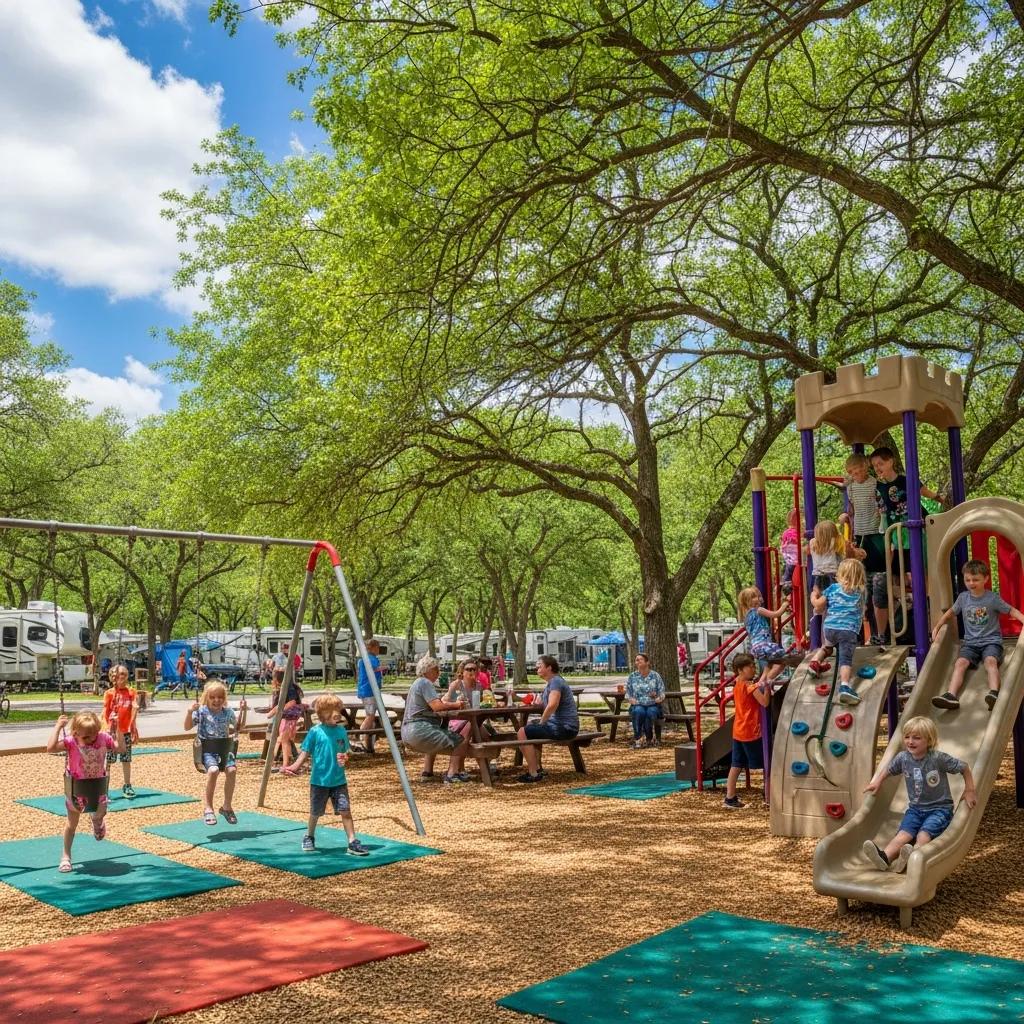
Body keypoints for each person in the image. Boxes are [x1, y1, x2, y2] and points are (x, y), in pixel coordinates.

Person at [862, 716, 976, 871]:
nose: (910, 741)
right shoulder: (903, 758)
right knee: (903, 835)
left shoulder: (938, 758)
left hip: (939, 809)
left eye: (916, 738)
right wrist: (877, 782)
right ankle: (885, 857)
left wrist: (969, 789)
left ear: (929, 740)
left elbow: (964, 767)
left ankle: (913, 859)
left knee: (923, 836)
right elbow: (888, 770)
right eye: (907, 737)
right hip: (915, 809)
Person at [931, 559, 1024, 711]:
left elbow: (1011, 610)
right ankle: (951, 695)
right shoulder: (963, 598)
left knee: (990, 662)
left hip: (991, 642)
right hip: (970, 643)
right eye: (967, 579)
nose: (971, 583)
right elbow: (951, 612)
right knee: (960, 663)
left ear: (985, 579)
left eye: (975, 579)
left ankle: (994, 693)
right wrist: (938, 626)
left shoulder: (992, 598)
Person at [282, 694, 370, 855]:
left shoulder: (341, 730)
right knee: (316, 812)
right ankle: (309, 835)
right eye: (332, 710)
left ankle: (352, 841)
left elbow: (344, 752)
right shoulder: (315, 732)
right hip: (319, 781)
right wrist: (294, 766)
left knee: (345, 811)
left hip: (338, 780)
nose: (337, 713)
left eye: (338, 709)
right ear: (322, 713)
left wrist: (345, 758)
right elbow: (305, 752)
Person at [871, 446, 941, 644]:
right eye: (875, 465)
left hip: (915, 529)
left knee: (922, 570)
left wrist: (939, 497)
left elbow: (923, 491)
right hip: (897, 533)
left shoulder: (905, 480)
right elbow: (882, 512)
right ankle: (907, 602)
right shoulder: (879, 487)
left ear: (891, 461)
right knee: (895, 573)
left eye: (881, 464)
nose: (877, 468)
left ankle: (926, 606)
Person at [46, 710, 124, 872]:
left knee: (99, 812)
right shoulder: (71, 742)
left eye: (94, 734)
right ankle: (65, 856)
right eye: (86, 737)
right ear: (75, 733)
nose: (91, 739)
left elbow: (121, 749)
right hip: (77, 788)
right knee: (71, 824)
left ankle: (97, 822)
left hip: (98, 786)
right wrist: (58, 726)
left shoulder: (104, 738)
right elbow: (51, 748)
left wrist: (118, 728)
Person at [400, 654, 472, 783]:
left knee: (439, 728)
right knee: (460, 739)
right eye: (436, 670)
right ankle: (453, 774)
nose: (439, 673)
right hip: (419, 731)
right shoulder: (425, 682)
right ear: (427, 670)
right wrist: (457, 705)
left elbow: (437, 703)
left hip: (407, 732)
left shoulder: (417, 683)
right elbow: (437, 706)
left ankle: (427, 772)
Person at [184, 681, 247, 826]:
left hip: (224, 748)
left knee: (232, 770)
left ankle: (227, 807)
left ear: (224, 698)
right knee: (213, 771)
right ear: (206, 697)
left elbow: (239, 727)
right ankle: (208, 808)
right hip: (207, 750)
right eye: (212, 697)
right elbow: (187, 727)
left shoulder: (228, 712)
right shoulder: (201, 711)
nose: (216, 700)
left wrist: (243, 711)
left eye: (219, 697)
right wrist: (189, 712)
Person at [809, 558, 867, 706]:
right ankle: (845, 687)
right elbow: (862, 610)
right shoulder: (861, 591)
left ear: (840, 575)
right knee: (845, 660)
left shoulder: (833, 588)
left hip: (829, 628)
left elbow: (818, 605)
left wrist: (813, 596)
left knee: (827, 647)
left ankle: (815, 662)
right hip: (848, 630)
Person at [842, 453, 886, 643]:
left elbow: (881, 504)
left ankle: (880, 633)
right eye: (851, 472)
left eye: (857, 470)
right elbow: (851, 509)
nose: (854, 474)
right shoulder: (851, 488)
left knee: (878, 577)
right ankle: (861, 634)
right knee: (860, 581)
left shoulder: (875, 484)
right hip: (860, 533)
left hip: (875, 532)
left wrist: (881, 512)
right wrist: (846, 516)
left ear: (865, 466)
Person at [516, 655, 579, 783]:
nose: (537, 668)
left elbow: (552, 704)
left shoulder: (556, 682)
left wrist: (542, 722)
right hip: (565, 726)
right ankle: (538, 769)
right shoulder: (552, 683)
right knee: (530, 727)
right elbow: (546, 703)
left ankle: (533, 773)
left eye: (540, 666)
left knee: (522, 732)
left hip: (565, 727)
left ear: (549, 668)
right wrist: (515, 697)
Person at [723, 653, 771, 809]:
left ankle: (730, 798)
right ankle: (770, 795)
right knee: (767, 763)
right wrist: (767, 688)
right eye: (749, 666)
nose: (753, 668)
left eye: (753, 665)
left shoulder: (737, 683)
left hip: (738, 730)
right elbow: (764, 702)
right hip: (751, 732)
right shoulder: (749, 686)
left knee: (736, 765)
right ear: (740, 670)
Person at [737, 586, 796, 688]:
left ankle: (760, 683)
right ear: (748, 601)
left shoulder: (747, 616)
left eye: (757, 596)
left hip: (756, 647)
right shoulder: (758, 610)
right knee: (782, 662)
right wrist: (785, 603)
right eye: (753, 597)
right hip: (764, 645)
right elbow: (775, 614)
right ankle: (768, 681)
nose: (758, 598)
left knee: (769, 666)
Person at [102, 664, 138, 799]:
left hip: (126, 731)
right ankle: (104, 789)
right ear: (112, 677)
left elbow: (134, 709)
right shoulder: (109, 693)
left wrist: (133, 727)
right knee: (109, 761)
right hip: (112, 731)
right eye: (118, 674)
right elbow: (105, 714)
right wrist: (107, 728)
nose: (121, 677)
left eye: (124, 674)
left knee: (126, 759)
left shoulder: (131, 692)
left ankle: (127, 785)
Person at [257, 669, 305, 771]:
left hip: (288, 719)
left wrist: (277, 710)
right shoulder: (286, 687)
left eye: (274, 677)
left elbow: (292, 702)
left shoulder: (289, 688)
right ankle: (272, 762)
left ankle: (285, 765)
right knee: (280, 740)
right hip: (286, 719)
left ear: (278, 678)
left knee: (284, 741)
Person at [624, 652, 665, 749]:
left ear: (647, 662)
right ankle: (638, 738)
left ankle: (649, 738)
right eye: (636, 660)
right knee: (639, 711)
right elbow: (628, 693)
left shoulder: (655, 676)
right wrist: (630, 699)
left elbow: (662, 691)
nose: (637, 661)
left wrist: (659, 698)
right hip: (638, 704)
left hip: (653, 704)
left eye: (640, 659)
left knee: (650, 713)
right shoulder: (632, 676)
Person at [355, 638, 383, 754]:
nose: (379, 650)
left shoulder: (362, 660)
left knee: (369, 715)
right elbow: (374, 669)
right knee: (371, 716)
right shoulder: (370, 659)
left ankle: (368, 745)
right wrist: (384, 668)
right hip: (370, 690)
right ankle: (360, 736)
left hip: (365, 690)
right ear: (371, 648)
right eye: (377, 648)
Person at [779, 508, 800, 596]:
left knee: (788, 570)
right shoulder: (796, 532)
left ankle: (785, 582)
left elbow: (782, 545)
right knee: (790, 570)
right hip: (795, 559)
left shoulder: (786, 533)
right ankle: (786, 583)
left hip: (789, 559)